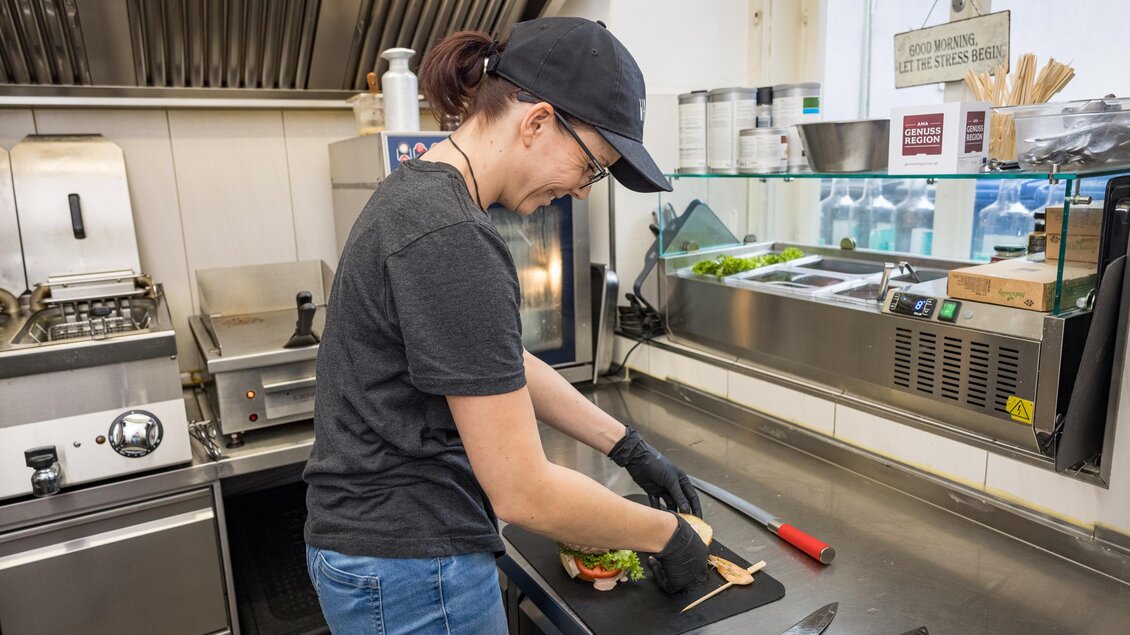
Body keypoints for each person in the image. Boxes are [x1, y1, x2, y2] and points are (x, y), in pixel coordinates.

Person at [303, 16, 709, 634]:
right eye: (593, 166)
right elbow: (524, 493)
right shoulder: (452, 234)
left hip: (382, 552)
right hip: (412, 566)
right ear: (538, 121)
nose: (582, 191)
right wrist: (668, 535)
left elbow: (496, 360)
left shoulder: (420, 192)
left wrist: (626, 446)